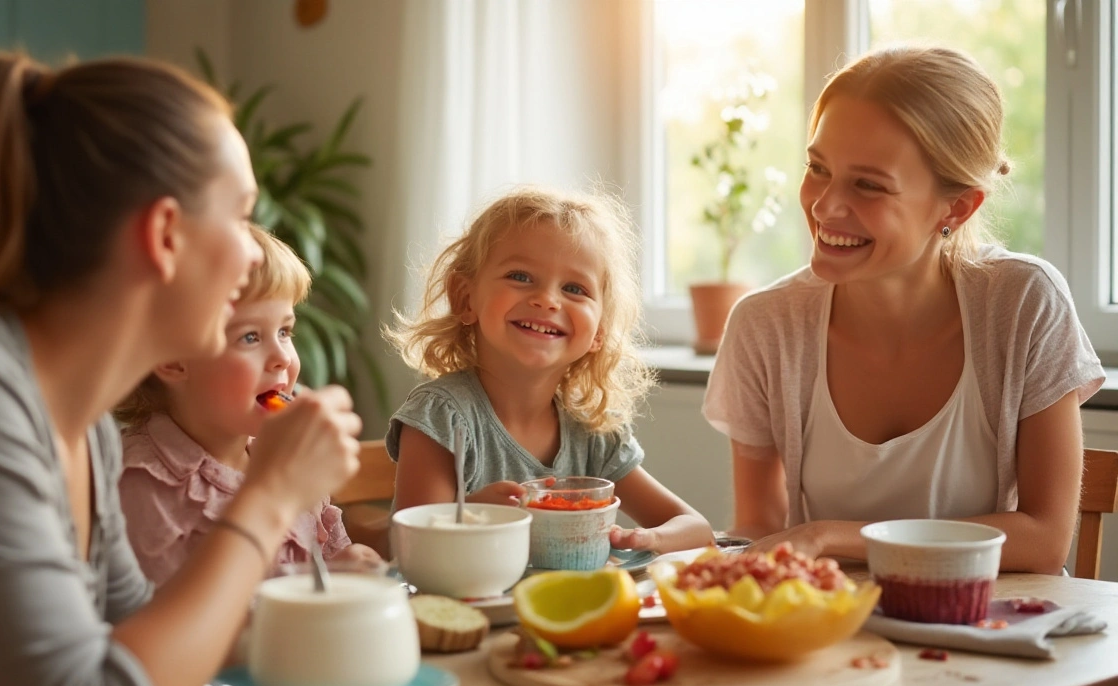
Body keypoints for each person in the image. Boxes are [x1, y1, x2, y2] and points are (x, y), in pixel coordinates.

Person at [0, 52, 362, 686]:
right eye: (238, 216)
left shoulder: (86, 429)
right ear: (165, 235)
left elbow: (137, 650)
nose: (253, 251)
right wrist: (267, 498)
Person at [703, 46, 1106, 574]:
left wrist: (829, 535)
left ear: (957, 207)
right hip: (835, 635)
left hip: (993, 628)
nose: (824, 206)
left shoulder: (1024, 303)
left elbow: (1043, 539)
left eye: (867, 184)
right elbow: (758, 525)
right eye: (818, 168)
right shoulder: (765, 325)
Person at [387, 186, 714, 554]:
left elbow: (697, 530)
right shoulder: (442, 415)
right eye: (520, 277)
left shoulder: (592, 431)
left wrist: (646, 538)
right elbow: (410, 547)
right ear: (466, 298)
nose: (547, 299)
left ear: (599, 331)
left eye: (575, 288)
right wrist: (476, 517)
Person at [115, 224, 380, 585]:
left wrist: (342, 565)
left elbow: (320, 560)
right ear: (175, 358)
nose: (282, 359)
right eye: (250, 336)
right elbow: (178, 626)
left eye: (285, 332)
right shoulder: (143, 485)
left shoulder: (287, 454)